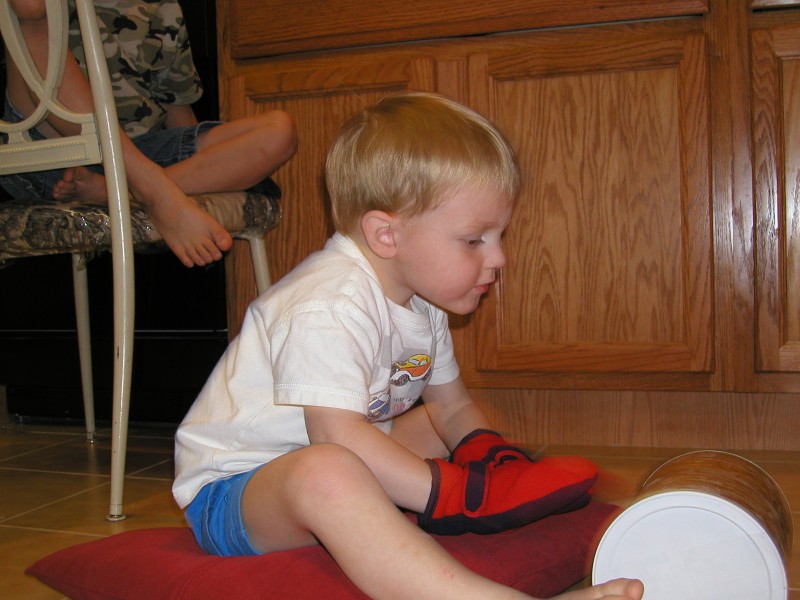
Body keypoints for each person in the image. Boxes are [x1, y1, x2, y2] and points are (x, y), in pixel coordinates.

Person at [172, 92, 644, 600]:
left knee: (437, 429)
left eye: (500, 235)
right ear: (386, 235)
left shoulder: (423, 304)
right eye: (474, 239)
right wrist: (457, 496)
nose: (500, 257)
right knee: (328, 469)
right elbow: (336, 437)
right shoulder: (327, 304)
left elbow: (452, 404)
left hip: (330, 452)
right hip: (237, 493)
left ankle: (398, 515)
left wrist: (494, 463)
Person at [2, 0, 297, 268]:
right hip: (53, 151)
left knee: (279, 131)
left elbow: (179, 116)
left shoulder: (162, 6)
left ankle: (118, 190)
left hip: (135, 156)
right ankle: (152, 190)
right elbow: (28, 8)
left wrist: (209, 174)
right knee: (35, 15)